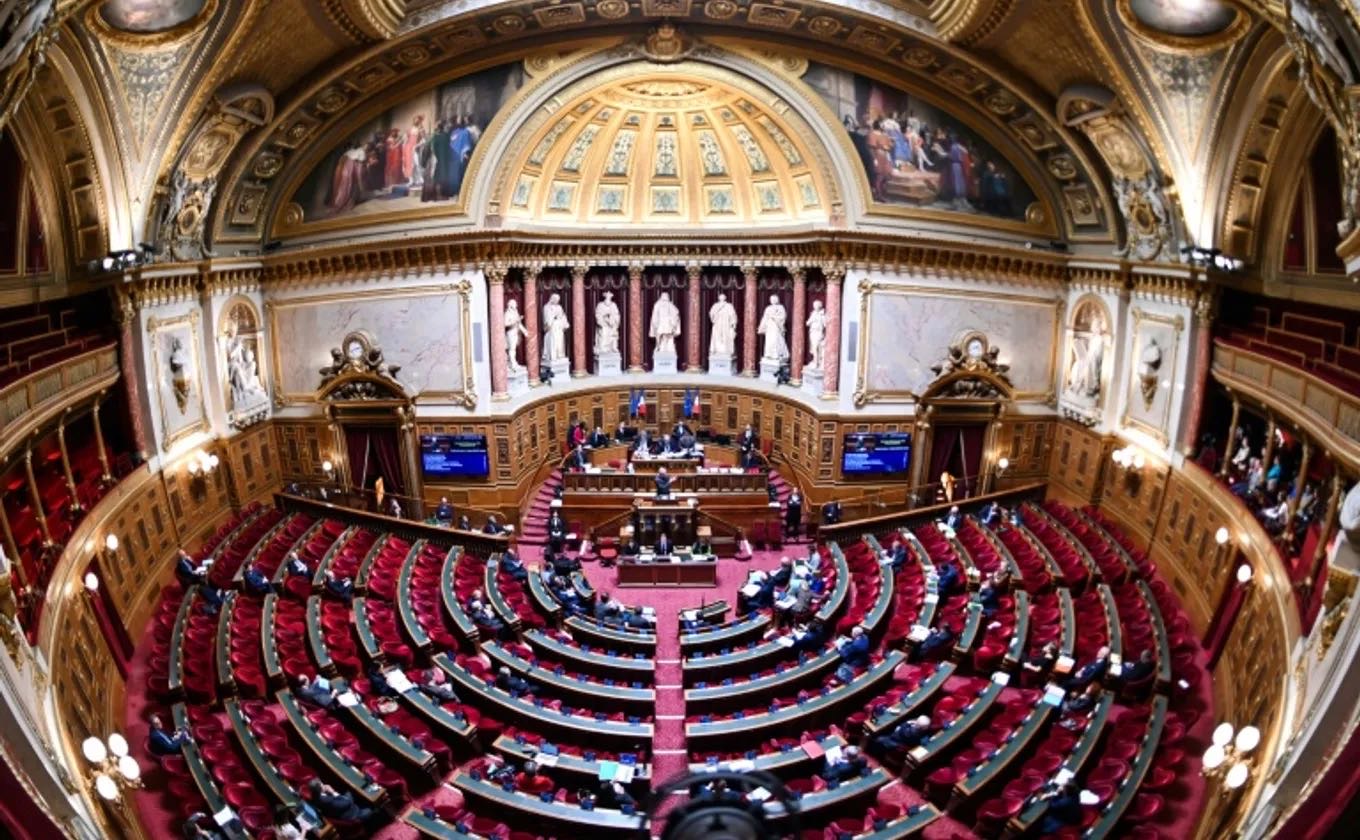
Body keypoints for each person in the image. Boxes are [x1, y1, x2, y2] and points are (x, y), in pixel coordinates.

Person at [307, 779, 380, 829]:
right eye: (322, 784)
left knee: (349, 791)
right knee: (370, 808)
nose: (324, 784)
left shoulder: (315, 797)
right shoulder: (327, 801)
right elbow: (347, 803)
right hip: (352, 816)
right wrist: (333, 792)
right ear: (320, 788)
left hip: (340, 808)